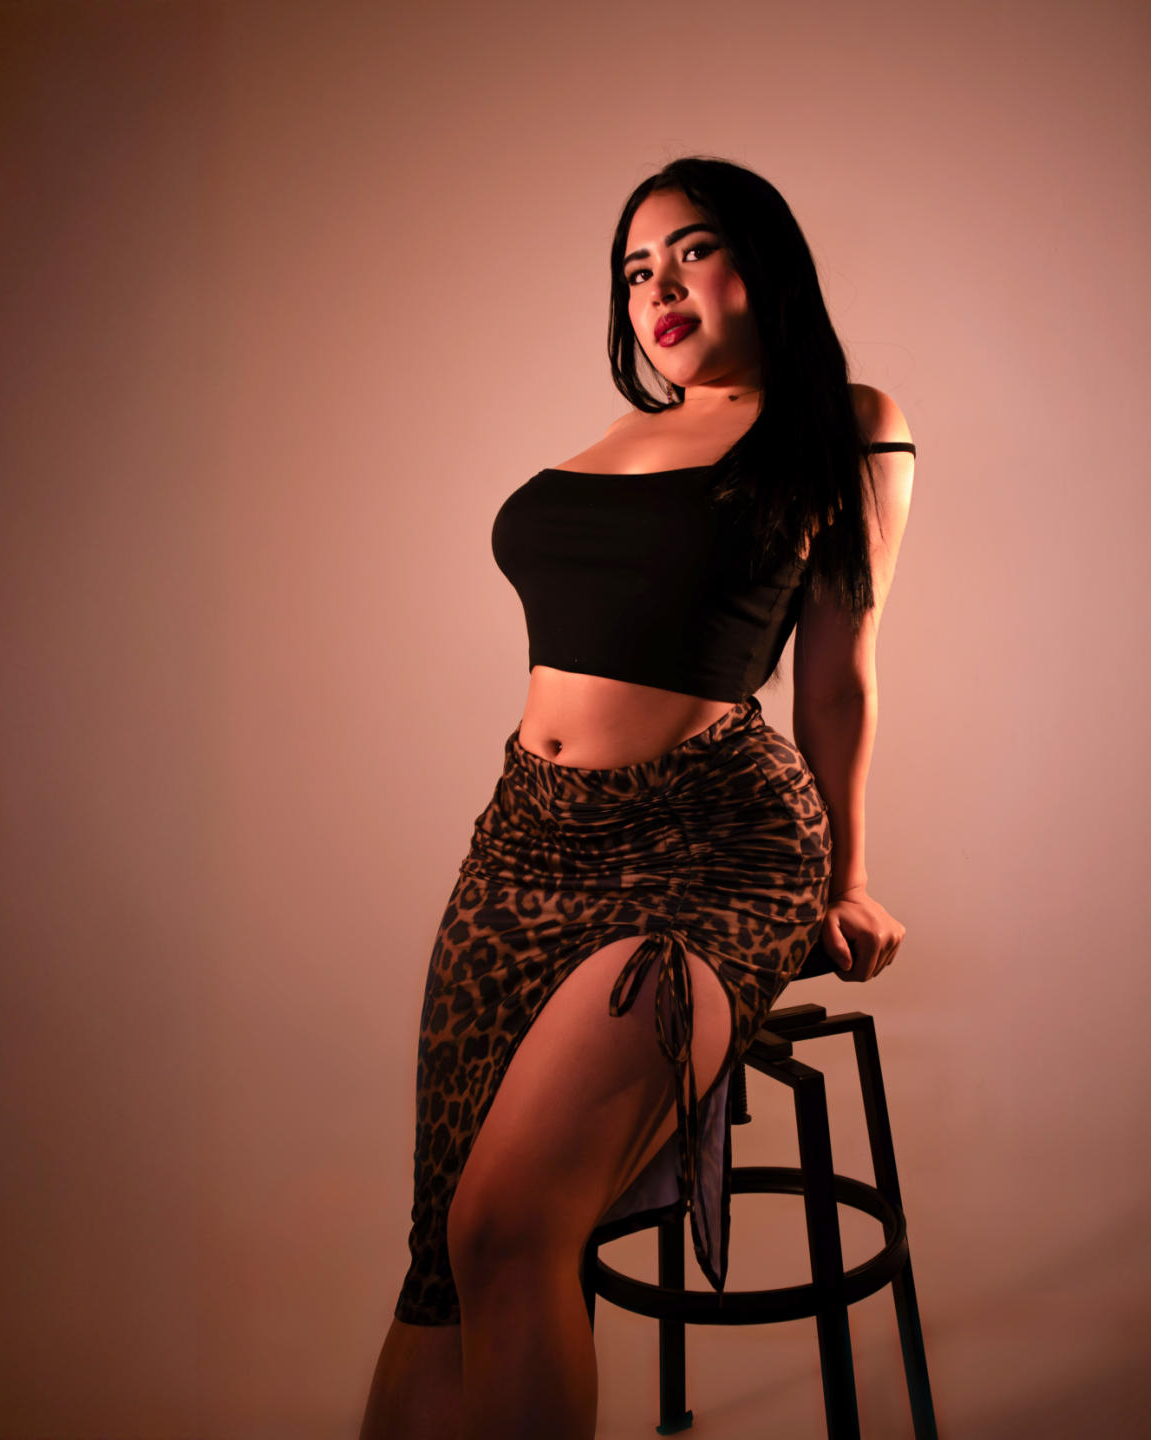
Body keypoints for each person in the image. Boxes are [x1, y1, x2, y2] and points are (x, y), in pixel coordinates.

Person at [359, 155, 917, 1440]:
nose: (659, 287)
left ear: (763, 264)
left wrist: (848, 879)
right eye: (635, 270)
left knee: (509, 1226)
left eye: (693, 251)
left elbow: (839, 678)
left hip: (711, 846)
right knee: (443, 1254)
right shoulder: (615, 440)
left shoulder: (841, 424)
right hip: (522, 845)